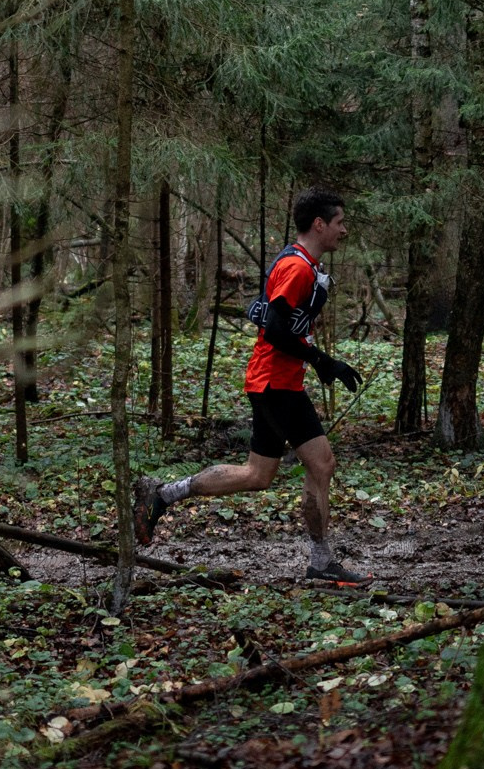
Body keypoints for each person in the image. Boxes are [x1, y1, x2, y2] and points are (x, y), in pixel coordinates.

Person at [133, 187, 371, 584]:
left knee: (258, 475)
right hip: (275, 384)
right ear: (319, 224)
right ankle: (321, 560)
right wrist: (322, 361)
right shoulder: (297, 268)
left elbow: (282, 326)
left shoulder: (302, 263)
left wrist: (318, 361)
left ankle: (164, 494)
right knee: (321, 464)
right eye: (340, 222)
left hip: (277, 383)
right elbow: (276, 329)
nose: (343, 230)